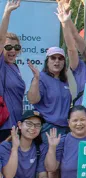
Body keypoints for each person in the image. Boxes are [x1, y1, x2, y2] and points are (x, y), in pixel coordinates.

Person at [0, 111, 51, 178]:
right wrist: (15, 148)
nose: (33, 128)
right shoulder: (6, 147)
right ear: (19, 125)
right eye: (29, 123)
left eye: (37, 125)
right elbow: (9, 175)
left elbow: (42, 174)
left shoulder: (40, 148)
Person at [27, 48, 72, 144]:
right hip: (48, 129)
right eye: (53, 58)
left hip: (65, 129)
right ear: (47, 61)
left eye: (60, 58)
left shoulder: (64, 80)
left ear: (64, 62)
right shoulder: (41, 77)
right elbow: (33, 100)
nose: (57, 61)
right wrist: (36, 78)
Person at [0, 0, 25, 141]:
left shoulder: (15, 68)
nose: (13, 51)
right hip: (3, 126)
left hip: (16, 126)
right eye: (8, 47)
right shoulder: (1, 64)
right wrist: (7, 12)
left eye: (16, 48)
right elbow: (0, 38)